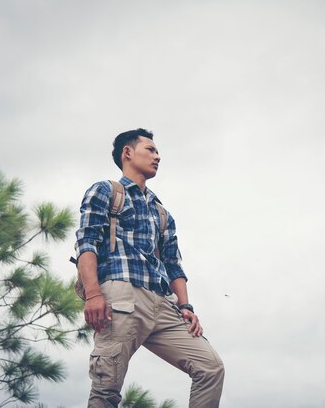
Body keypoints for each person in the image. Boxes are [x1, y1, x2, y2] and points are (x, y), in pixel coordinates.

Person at [75, 128, 224, 408]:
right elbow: (86, 243)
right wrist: (94, 294)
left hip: (162, 305)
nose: (158, 156)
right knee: (107, 390)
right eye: (151, 150)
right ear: (127, 153)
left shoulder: (162, 212)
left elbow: (173, 264)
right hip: (122, 297)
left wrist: (186, 307)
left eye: (157, 152)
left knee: (210, 367)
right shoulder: (106, 191)